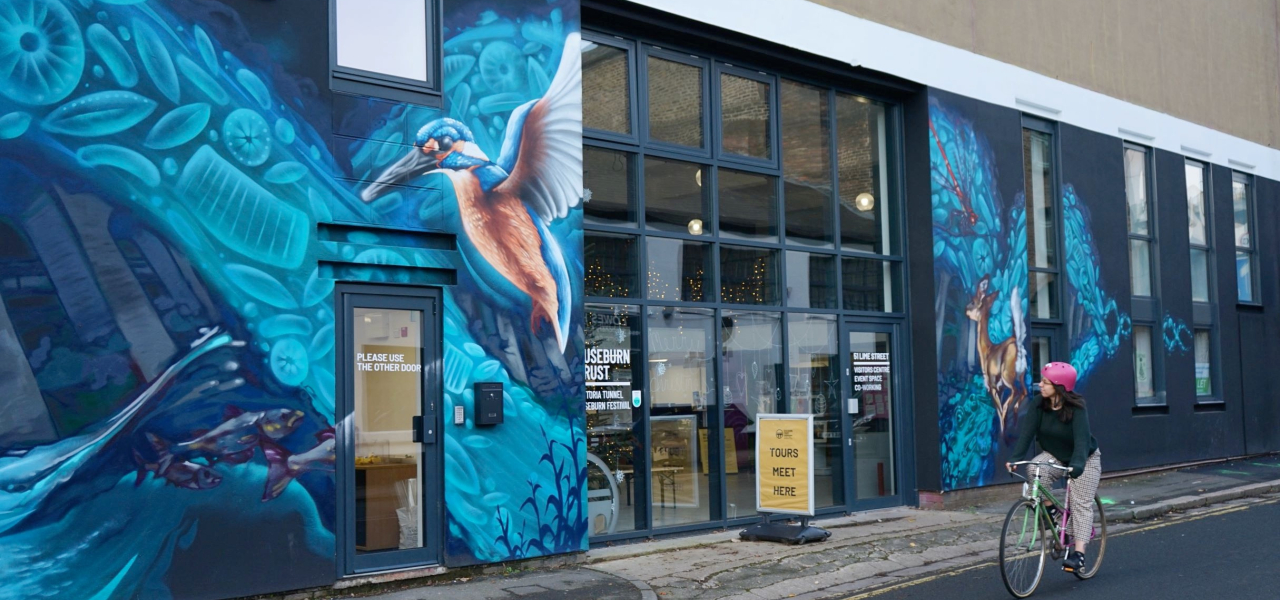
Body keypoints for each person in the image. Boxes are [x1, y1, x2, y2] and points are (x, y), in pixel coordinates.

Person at [1005, 362, 1101, 574]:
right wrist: (1016, 458)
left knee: (1080, 503)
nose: (1040, 385)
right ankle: (1056, 518)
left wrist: (1077, 465)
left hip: (1084, 458)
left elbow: (1082, 441)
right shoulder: (1039, 403)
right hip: (1055, 455)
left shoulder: (1077, 408)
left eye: (1046, 382)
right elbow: (1027, 433)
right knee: (1033, 470)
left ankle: (1079, 554)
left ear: (1060, 386)